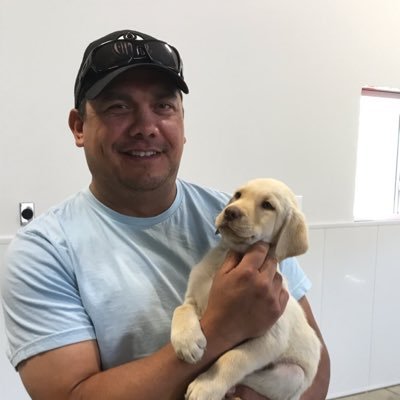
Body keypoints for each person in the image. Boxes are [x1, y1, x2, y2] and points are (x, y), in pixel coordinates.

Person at [1, 29, 330, 399]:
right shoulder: (43, 252)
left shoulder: (240, 222)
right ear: (79, 127)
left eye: (164, 106)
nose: (146, 127)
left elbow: (314, 365)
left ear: (183, 124)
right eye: (118, 107)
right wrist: (221, 327)